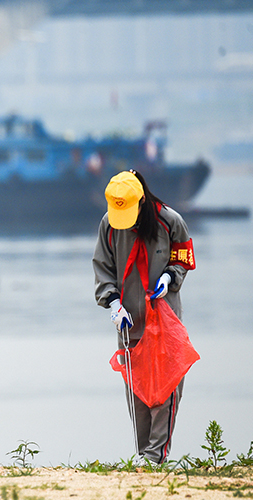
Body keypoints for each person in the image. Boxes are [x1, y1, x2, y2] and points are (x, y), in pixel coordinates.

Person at [92, 169, 196, 464]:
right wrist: (113, 302)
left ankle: (156, 454)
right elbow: (103, 267)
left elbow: (183, 256)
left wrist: (170, 277)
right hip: (128, 320)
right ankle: (143, 455)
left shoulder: (170, 221)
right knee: (137, 389)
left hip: (164, 318)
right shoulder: (109, 225)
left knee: (167, 385)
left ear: (142, 202)